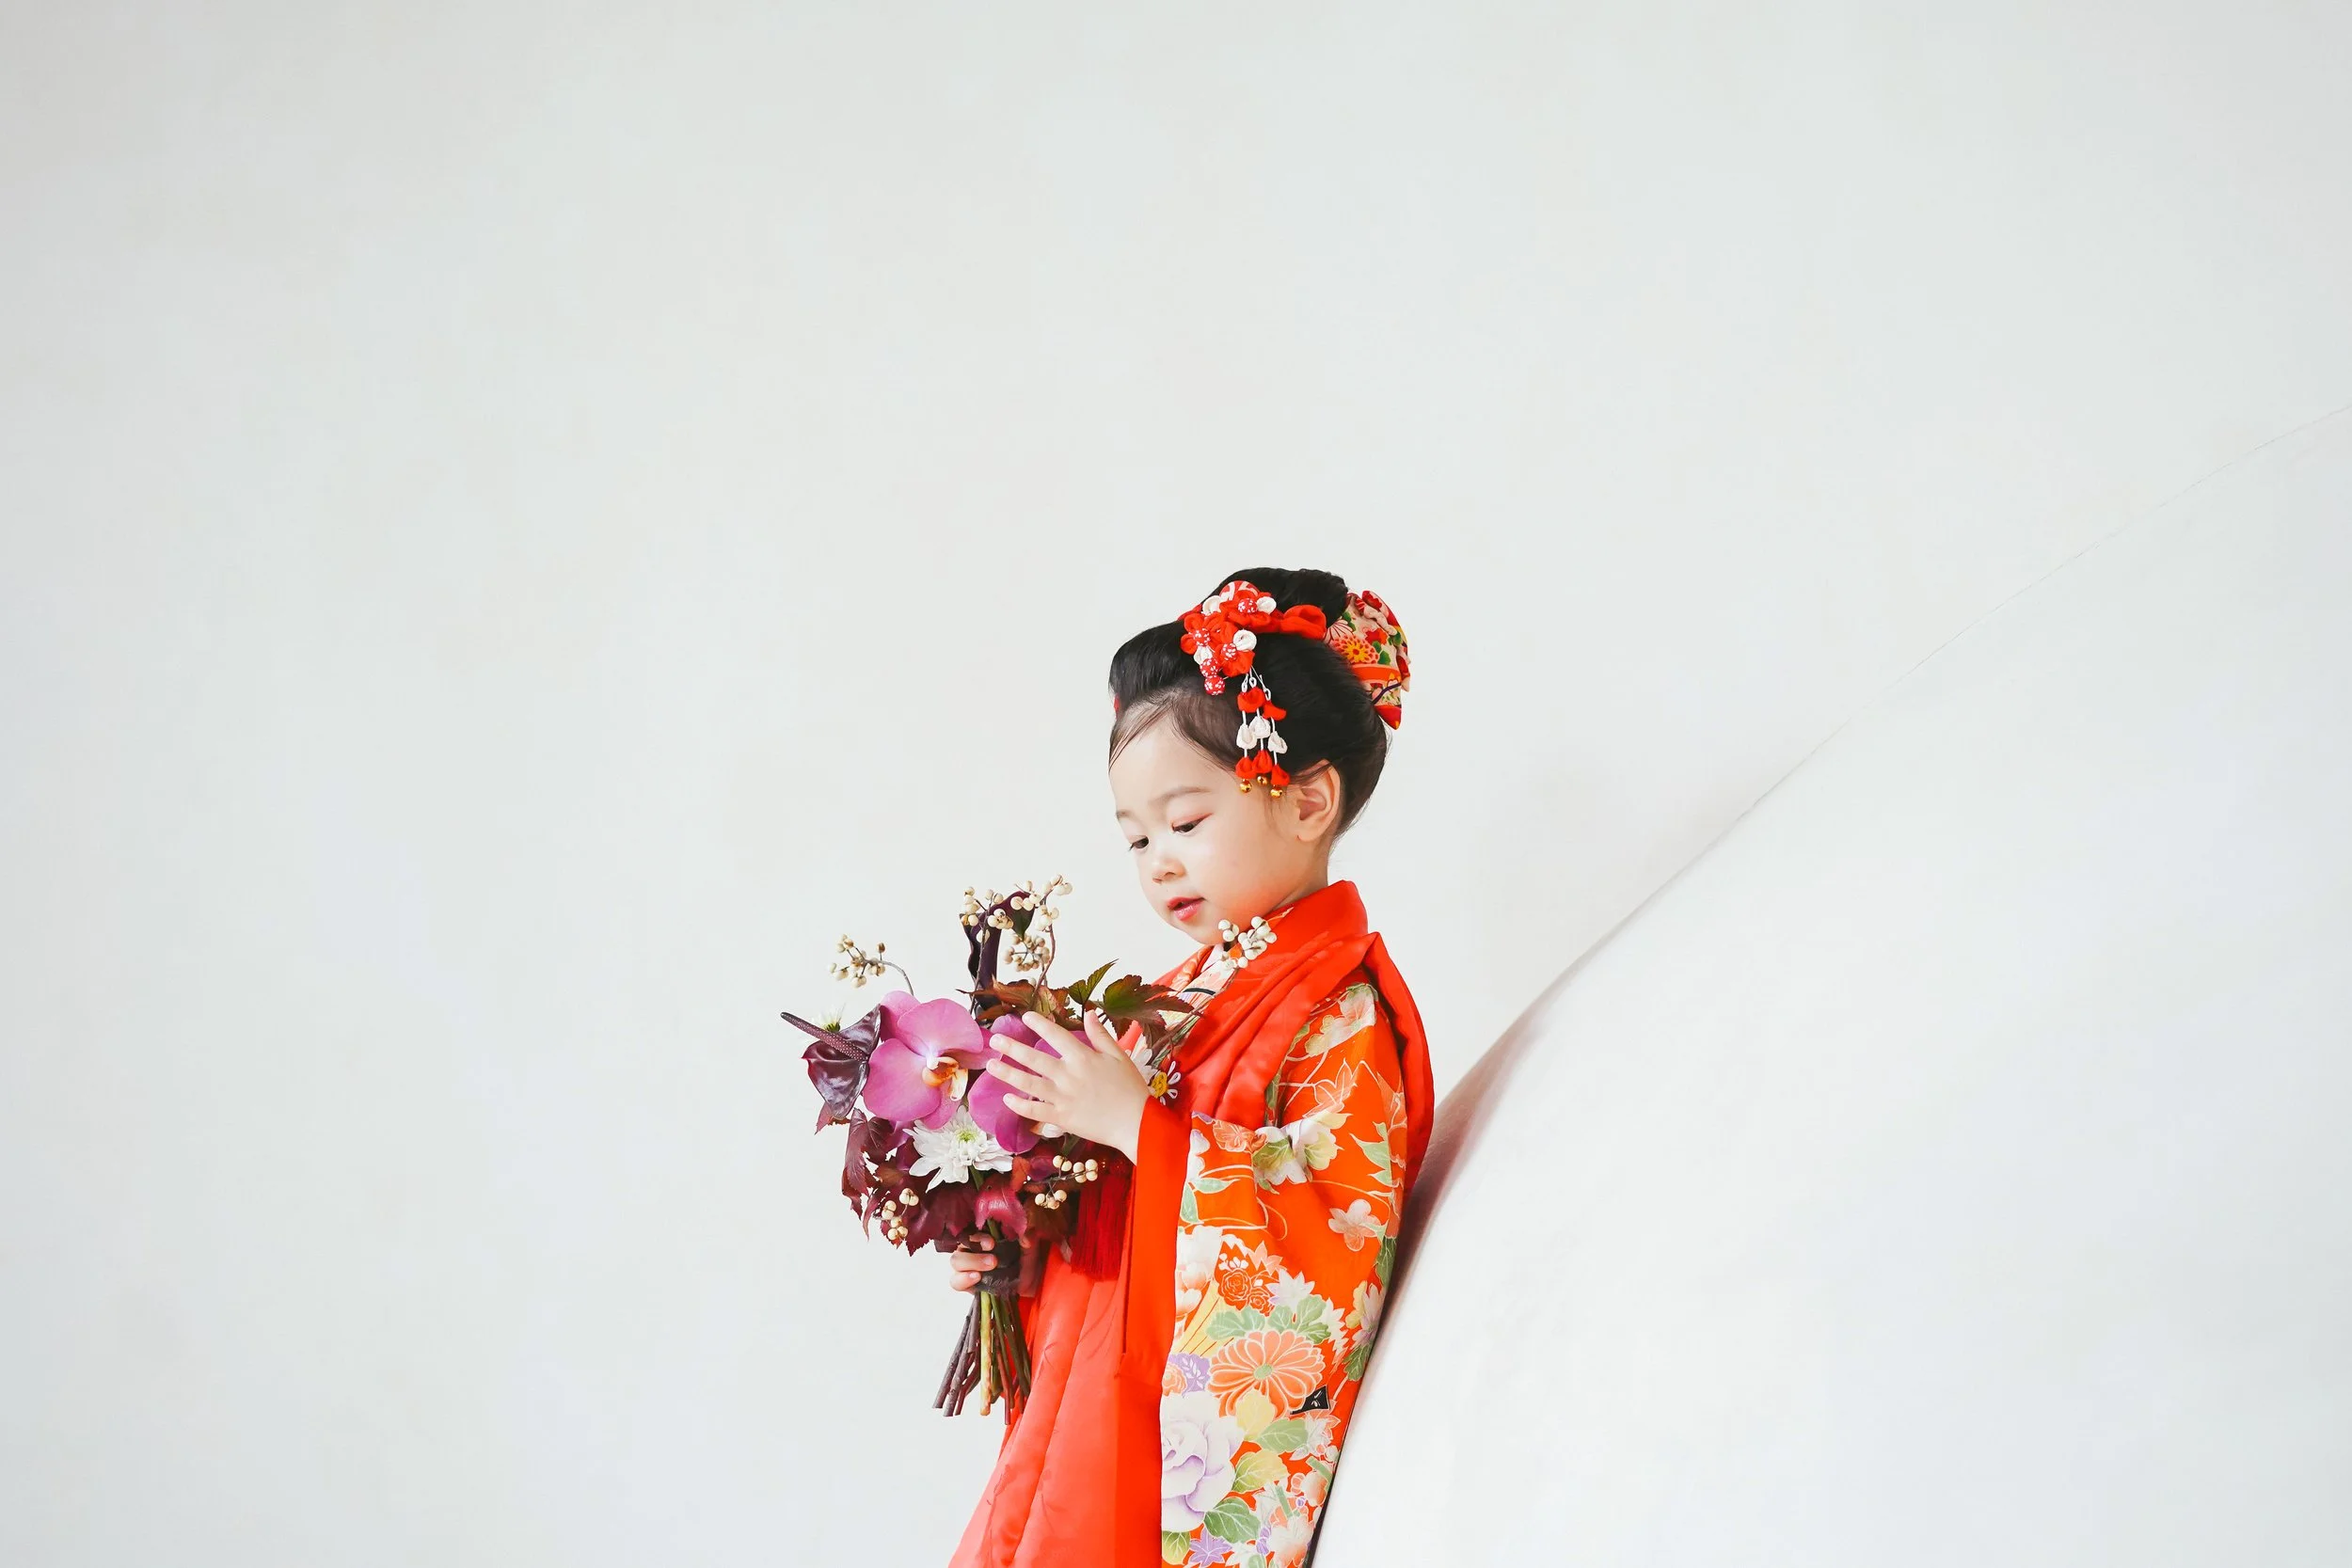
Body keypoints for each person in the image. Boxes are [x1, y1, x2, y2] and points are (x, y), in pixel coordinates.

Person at [945, 568, 1436, 1568]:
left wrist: (1138, 1127)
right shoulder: (1176, 994)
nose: (1158, 860)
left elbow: (1330, 1242)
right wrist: (1025, 1252)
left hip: (1157, 1428)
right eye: (1136, 837)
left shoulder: (1342, 1009)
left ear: (1308, 799)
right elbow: (1120, 1215)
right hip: (1089, 1393)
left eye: (1185, 821)